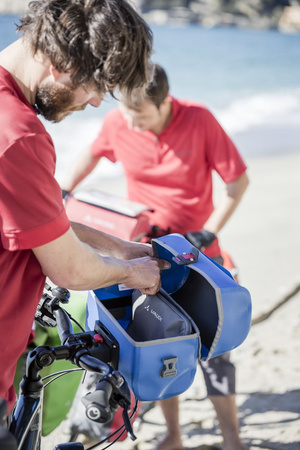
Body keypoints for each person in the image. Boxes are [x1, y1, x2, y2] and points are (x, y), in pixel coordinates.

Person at [62, 64, 250, 450]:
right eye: (126, 115)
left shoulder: (199, 120)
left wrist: (210, 231)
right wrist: (61, 191)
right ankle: (174, 436)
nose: (131, 125)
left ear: (165, 102)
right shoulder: (120, 121)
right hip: (148, 257)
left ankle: (232, 439)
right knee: (162, 350)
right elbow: (90, 153)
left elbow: (237, 182)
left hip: (197, 258)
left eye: (141, 116)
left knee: (216, 353)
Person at [0, 0, 173, 417]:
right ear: (60, 62)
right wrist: (133, 272)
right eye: (96, 86)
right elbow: (71, 270)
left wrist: (121, 247)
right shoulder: (19, 135)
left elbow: (40, 223)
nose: (96, 102)